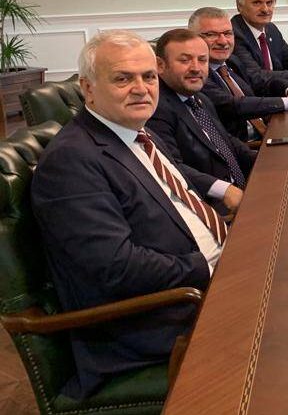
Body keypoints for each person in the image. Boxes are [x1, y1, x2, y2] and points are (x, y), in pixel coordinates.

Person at [31, 31, 227, 399]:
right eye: (123, 79)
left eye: (148, 76)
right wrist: (209, 265)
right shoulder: (71, 161)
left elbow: (181, 206)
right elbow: (116, 268)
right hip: (155, 320)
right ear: (88, 89)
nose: (141, 89)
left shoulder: (137, 132)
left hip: (199, 283)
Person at [148, 28, 254, 201]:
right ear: (160, 65)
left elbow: (224, 140)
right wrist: (223, 189)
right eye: (184, 60)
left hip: (243, 188)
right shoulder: (155, 109)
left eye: (202, 60)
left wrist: (262, 159)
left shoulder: (199, 97)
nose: (196, 68)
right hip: (209, 203)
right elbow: (170, 166)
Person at [190, 7, 288, 141]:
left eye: (228, 33)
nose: (223, 41)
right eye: (211, 35)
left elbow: (262, 83)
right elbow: (235, 105)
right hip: (247, 145)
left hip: (268, 132)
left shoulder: (232, 61)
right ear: (193, 38)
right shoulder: (195, 75)